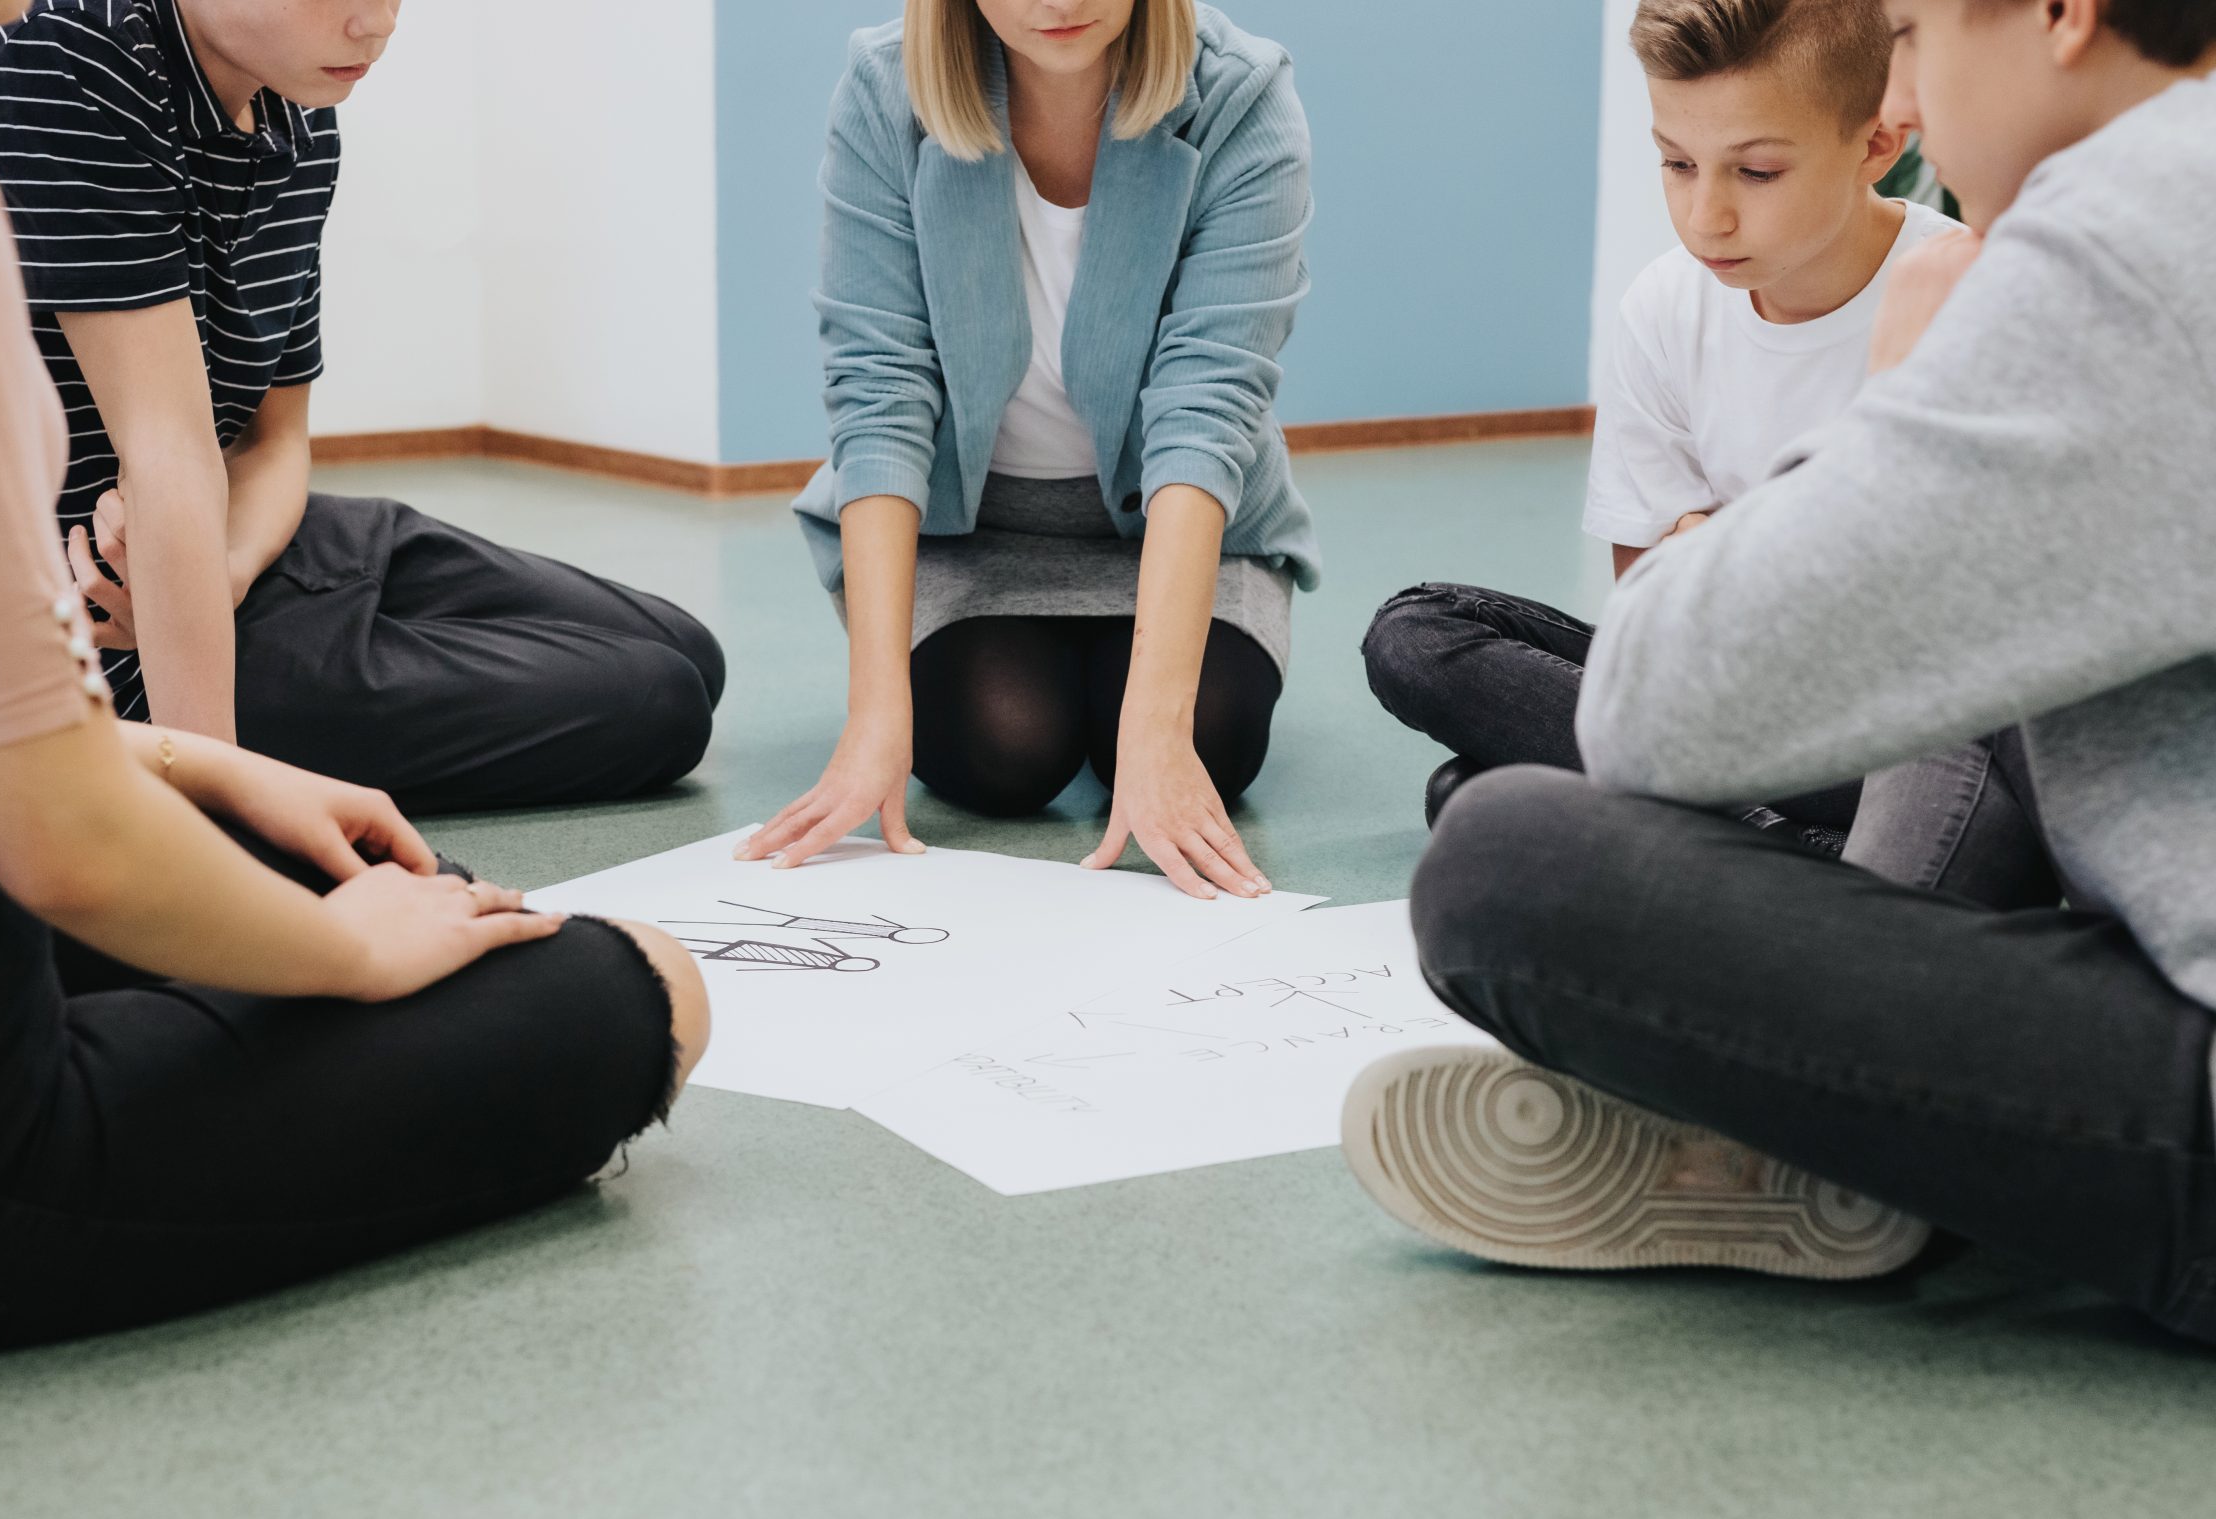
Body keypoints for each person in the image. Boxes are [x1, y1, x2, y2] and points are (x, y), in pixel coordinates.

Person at [0, 0, 710, 1357]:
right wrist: (347, 952)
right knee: (647, 982)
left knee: (459, 834)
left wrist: (204, 763)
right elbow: (64, 842)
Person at [1344, 0, 2216, 1339]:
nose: (1905, 105)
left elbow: (1653, 708)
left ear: (2062, 13)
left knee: (1506, 854)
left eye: (1916, 33)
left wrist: (1897, 380)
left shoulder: (2125, 233)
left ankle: (1833, 1142)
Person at [0, 0, 726, 811]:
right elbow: (167, 450)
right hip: (113, 631)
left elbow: (274, 442)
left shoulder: (300, 110)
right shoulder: (72, 52)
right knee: (661, 700)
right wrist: (214, 808)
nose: (378, 24)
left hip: (236, 547)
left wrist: (227, 568)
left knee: (690, 650)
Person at [1361, 0, 2049, 907]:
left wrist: (1720, 551)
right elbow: (1652, 620)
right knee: (1415, 634)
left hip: (1894, 733)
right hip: (1731, 703)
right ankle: (1771, 839)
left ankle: (1703, 831)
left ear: (1878, 143)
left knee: (1476, 800)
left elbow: (1955, 636)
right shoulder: (1662, 308)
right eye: (1676, 164)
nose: (1705, 215)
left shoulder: (1960, 285)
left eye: (1757, 171)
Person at [743, 0, 1318, 902]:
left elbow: (1206, 411)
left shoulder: (1240, 96)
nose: (1057, 3)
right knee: (1000, 749)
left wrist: (1158, 726)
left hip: (1171, 526)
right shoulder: (883, 88)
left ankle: (1131, 693)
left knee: (1209, 737)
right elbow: (881, 393)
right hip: (970, 536)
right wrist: (874, 715)